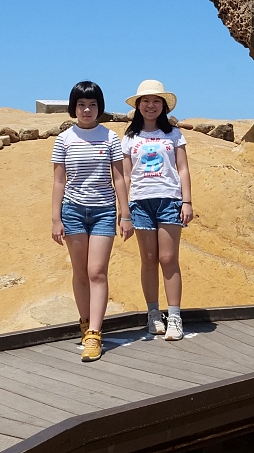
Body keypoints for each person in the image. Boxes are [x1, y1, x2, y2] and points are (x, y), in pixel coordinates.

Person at [51, 81, 133, 362]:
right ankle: (85, 323)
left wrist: (125, 214)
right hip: (72, 211)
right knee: (80, 272)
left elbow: (120, 177)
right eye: (82, 105)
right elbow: (59, 180)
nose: (87, 110)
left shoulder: (110, 138)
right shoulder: (64, 139)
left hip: (103, 211)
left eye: (93, 104)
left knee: (97, 271)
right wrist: (55, 218)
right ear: (74, 107)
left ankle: (95, 334)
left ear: (100, 107)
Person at [122, 79, 193, 341]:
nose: (150, 106)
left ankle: (174, 316)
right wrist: (124, 211)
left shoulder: (173, 134)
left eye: (155, 101)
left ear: (163, 106)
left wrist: (187, 201)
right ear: (138, 106)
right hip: (140, 202)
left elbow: (183, 168)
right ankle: (153, 314)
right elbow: (125, 176)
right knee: (149, 260)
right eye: (145, 101)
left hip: (169, 201)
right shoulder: (129, 137)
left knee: (168, 259)